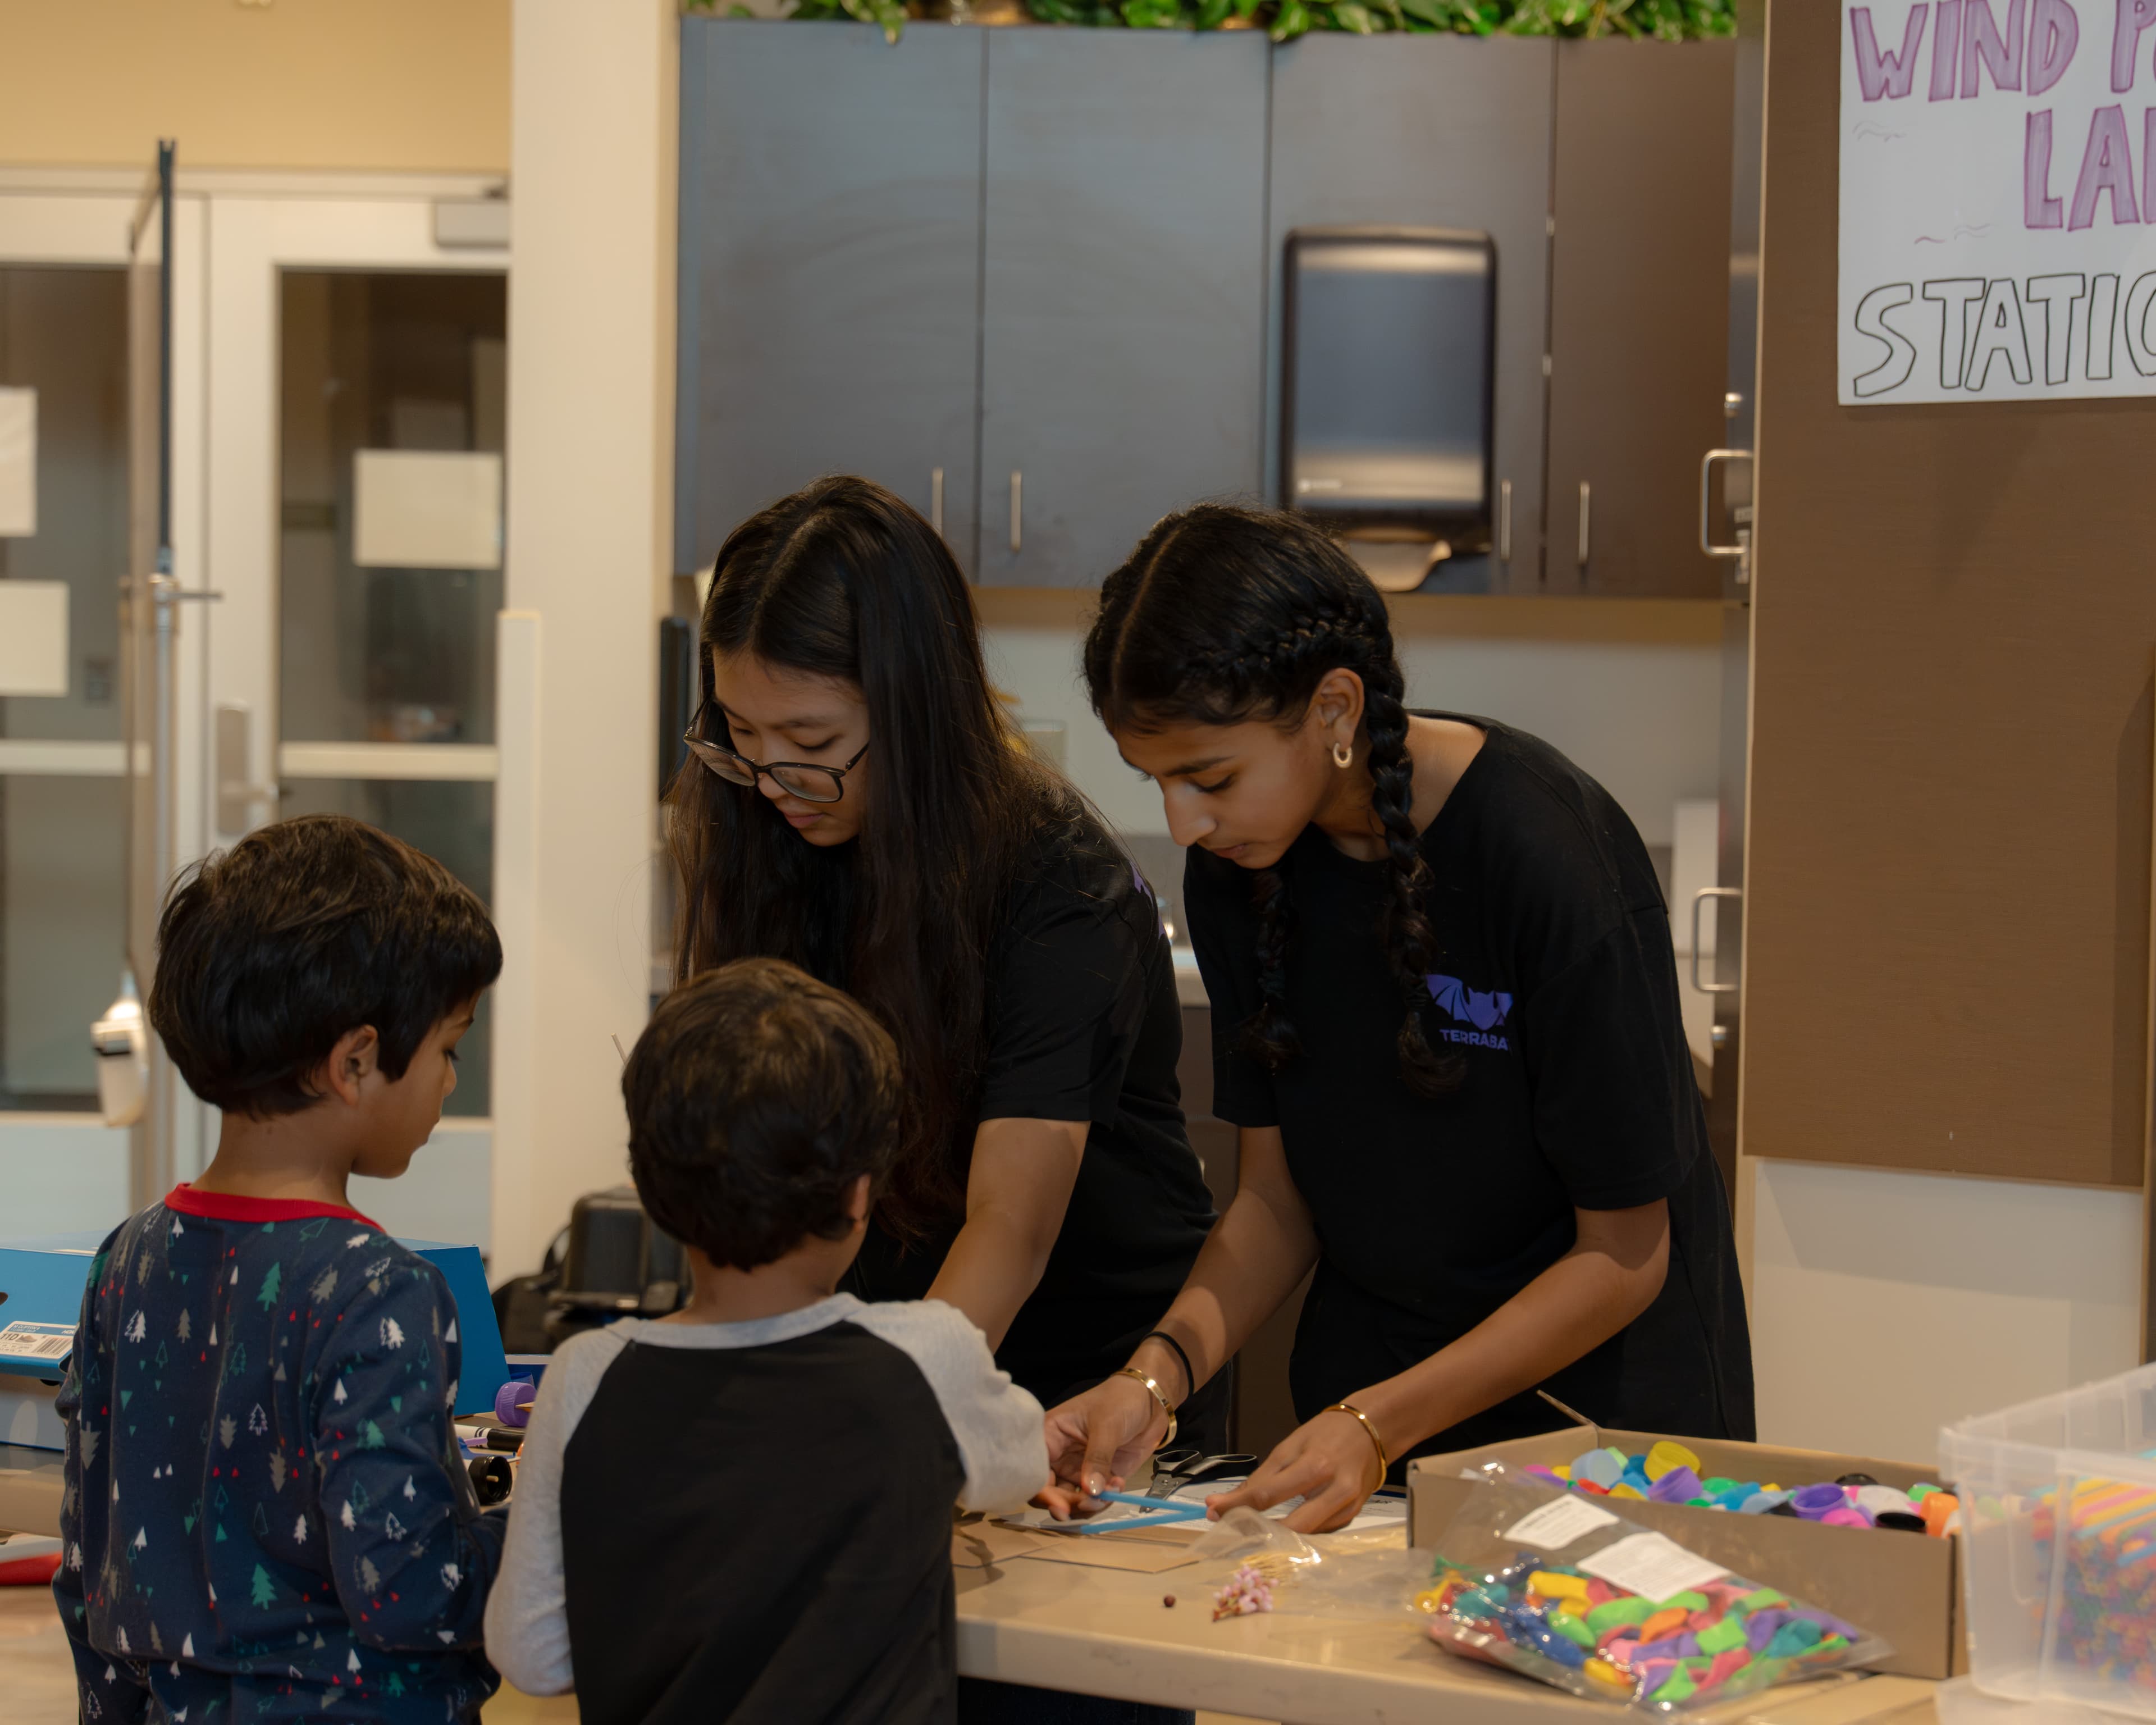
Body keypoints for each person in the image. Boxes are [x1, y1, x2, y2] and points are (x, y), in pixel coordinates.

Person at [1043, 504, 1755, 1535]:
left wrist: (1377, 1421)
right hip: (1369, 1420)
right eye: (1158, 783)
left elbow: (1625, 1257)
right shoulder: (1238, 872)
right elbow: (1278, 1206)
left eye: (1211, 779)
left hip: (1600, 1438)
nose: (1182, 824)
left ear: (1335, 707)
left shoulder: (1548, 855)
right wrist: (1152, 1380)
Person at [666, 477, 1222, 1436]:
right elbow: (739, 1144)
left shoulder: (1058, 885)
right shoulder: (761, 823)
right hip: (877, 1350)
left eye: (810, 741)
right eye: (739, 735)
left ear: (916, 711)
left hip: (1076, 1382)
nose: (769, 782)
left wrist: (874, 1422)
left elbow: (1013, 1224)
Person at [485, 959, 1047, 1725]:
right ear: (857, 1197)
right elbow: (1021, 1467)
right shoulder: (928, 1355)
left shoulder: (585, 1376)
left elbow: (533, 1654)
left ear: (651, 1192)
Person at [54, 813, 507, 1723]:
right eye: (450, 1049)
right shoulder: (380, 1289)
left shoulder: (126, 1259)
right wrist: (538, 1534)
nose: (451, 1081)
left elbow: (88, 1555)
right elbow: (411, 1590)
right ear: (357, 1060)